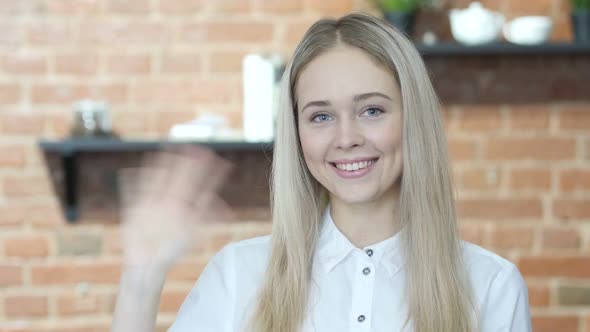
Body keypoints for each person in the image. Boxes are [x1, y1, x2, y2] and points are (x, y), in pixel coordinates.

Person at [111, 13, 532, 332]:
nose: (346, 138)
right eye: (320, 116)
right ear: (297, 134)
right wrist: (141, 277)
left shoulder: (491, 285)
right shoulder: (239, 274)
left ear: (413, 118)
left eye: (371, 110)